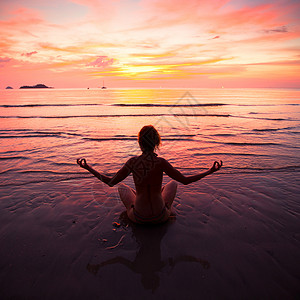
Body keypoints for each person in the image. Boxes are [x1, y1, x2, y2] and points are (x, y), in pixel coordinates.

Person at [77, 125, 222, 224]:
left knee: (122, 187)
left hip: (138, 218)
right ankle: (165, 206)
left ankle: (137, 202)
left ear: (139, 142)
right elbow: (185, 180)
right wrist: (210, 171)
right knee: (173, 183)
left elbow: (110, 182)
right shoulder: (161, 162)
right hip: (161, 216)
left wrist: (88, 167)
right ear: (156, 142)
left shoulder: (133, 162)